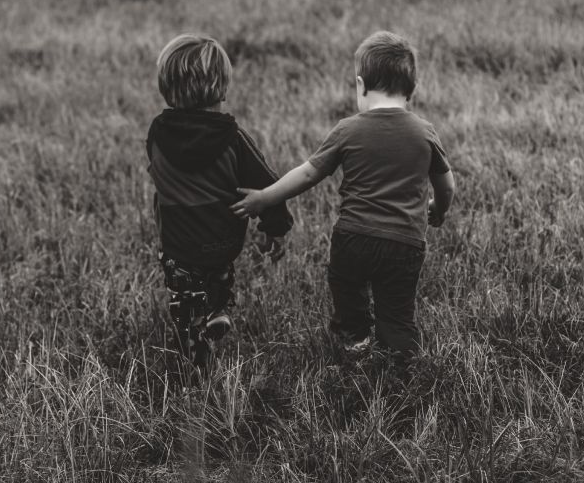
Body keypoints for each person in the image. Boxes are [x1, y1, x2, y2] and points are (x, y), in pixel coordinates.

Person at [232, 31, 454, 361]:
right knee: (397, 306)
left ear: (361, 85)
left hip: (354, 238)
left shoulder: (348, 129)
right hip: (405, 243)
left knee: (347, 288)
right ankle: (399, 353)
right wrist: (439, 209)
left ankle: (355, 338)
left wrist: (265, 197)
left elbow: (308, 173)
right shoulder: (425, 132)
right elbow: (446, 184)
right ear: (413, 89)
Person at [147, 33, 291, 363]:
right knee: (218, 273)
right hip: (222, 239)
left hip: (178, 244)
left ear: (166, 88)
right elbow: (267, 185)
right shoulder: (233, 138)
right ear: (222, 89)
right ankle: (216, 308)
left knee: (186, 305)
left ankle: (194, 356)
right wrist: (276, 228)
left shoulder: (157, 132)